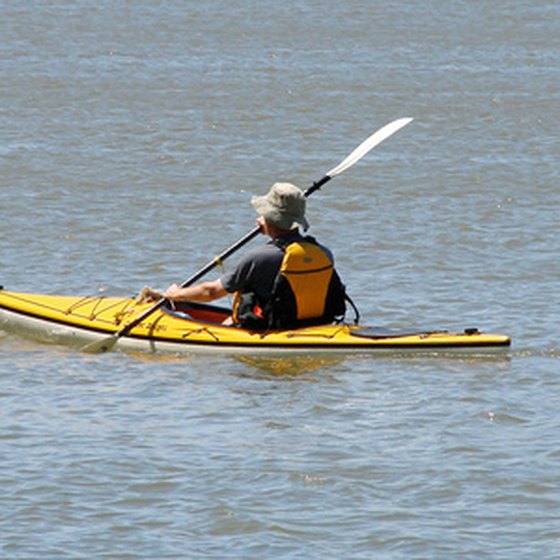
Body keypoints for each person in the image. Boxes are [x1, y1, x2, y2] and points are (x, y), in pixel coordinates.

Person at [139, 182, 347, 329]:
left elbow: (212, 292)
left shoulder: (259, 257)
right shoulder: (323, 253)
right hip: (314, 324)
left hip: (272, 328)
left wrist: (174, 294)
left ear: (269, 218)